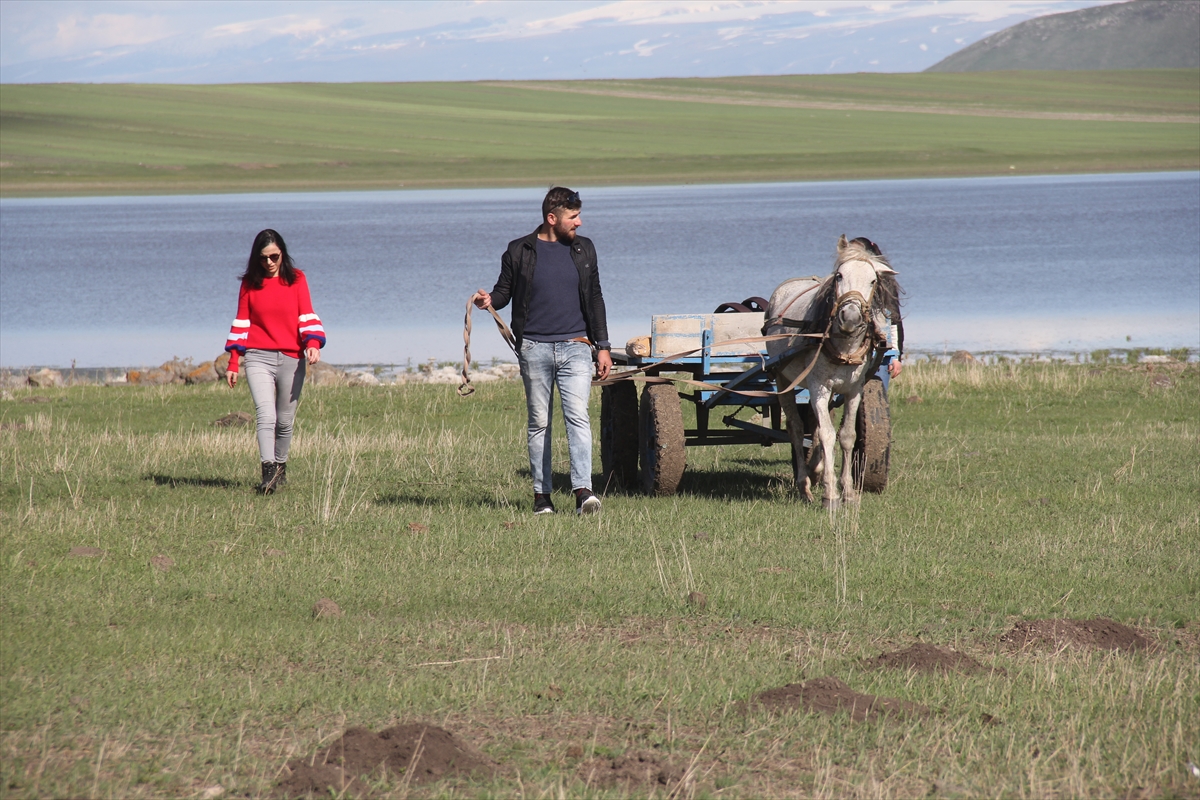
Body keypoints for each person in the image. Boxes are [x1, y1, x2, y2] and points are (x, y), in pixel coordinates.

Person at [474, 187, 613, 515]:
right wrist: (488, 301)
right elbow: (503, 292)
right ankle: (542, 497)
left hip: (577, 347)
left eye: (578, 215)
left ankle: (583, 492)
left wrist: (603, 347)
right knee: (539, 422)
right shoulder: (518, 250)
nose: (579, 222)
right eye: (573, 217)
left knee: (578, 418)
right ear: (552, 218)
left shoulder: (584, 249)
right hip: (533, 348)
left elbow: (595, 298)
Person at [224, 229, 326, 494]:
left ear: (283, 253)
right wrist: (234, 361)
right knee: (266, 415)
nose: (269, 263)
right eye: (263, 258)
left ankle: (280, 468)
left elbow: (307, 314)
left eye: (274, 256)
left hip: (292, 358)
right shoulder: (249, 283)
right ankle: (267, 472)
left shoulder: (297, 279)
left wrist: (312, 345)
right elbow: (242, 323)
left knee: (284, 420)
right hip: (258, 357)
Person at [849, 237, 904, 378]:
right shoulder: (843, 279)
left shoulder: (884, 282)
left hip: (874, 346)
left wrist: (895, 356)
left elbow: (893, 321)